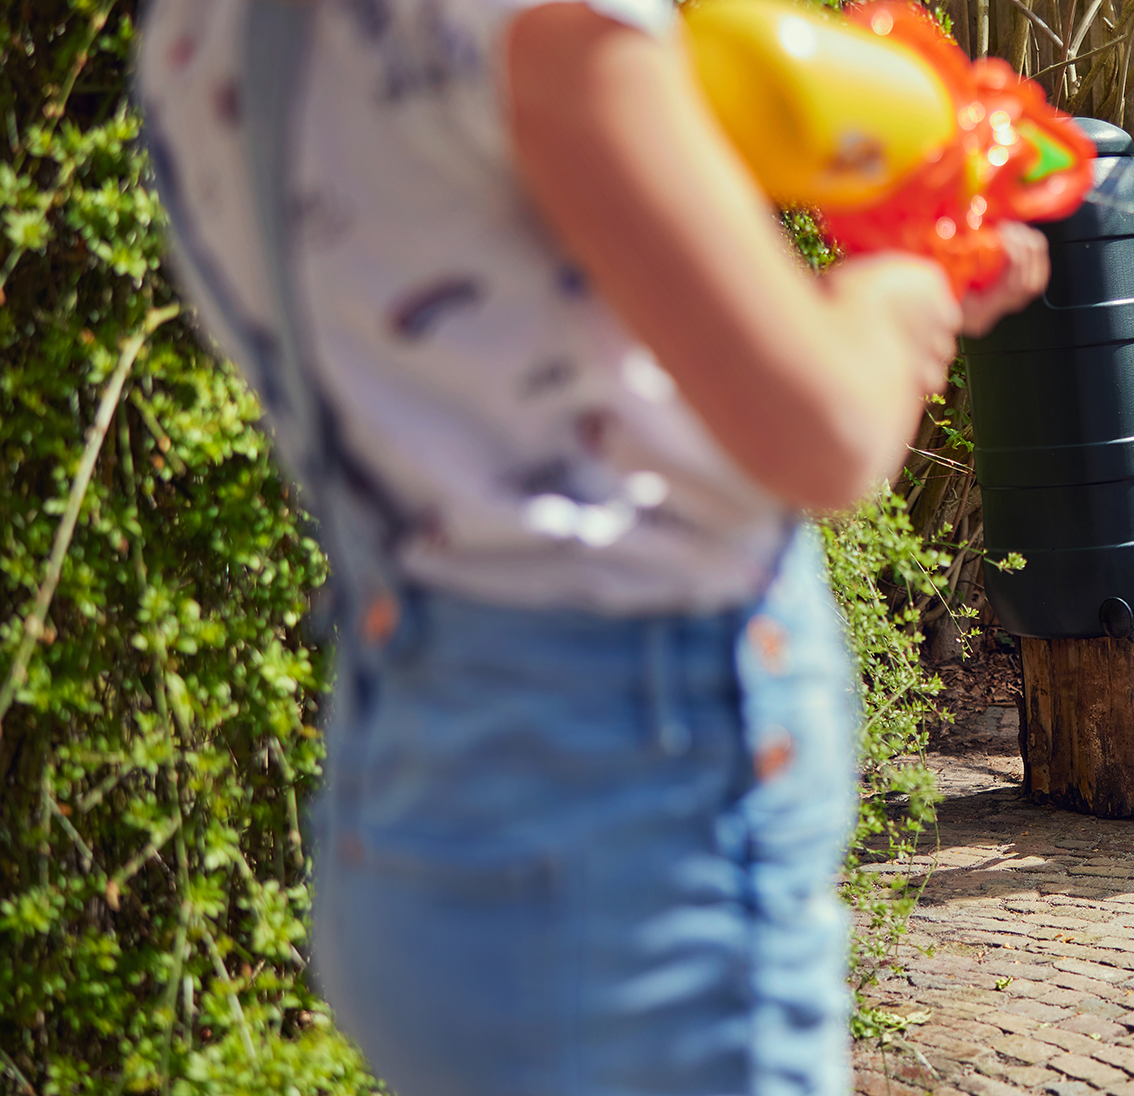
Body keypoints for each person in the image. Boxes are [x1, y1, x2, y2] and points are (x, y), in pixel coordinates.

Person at [137, 0, 1047, 1091]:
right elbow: (823, 434)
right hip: (628, 812)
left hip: (415, 783)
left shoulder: (206, 31)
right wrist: (908, 283)